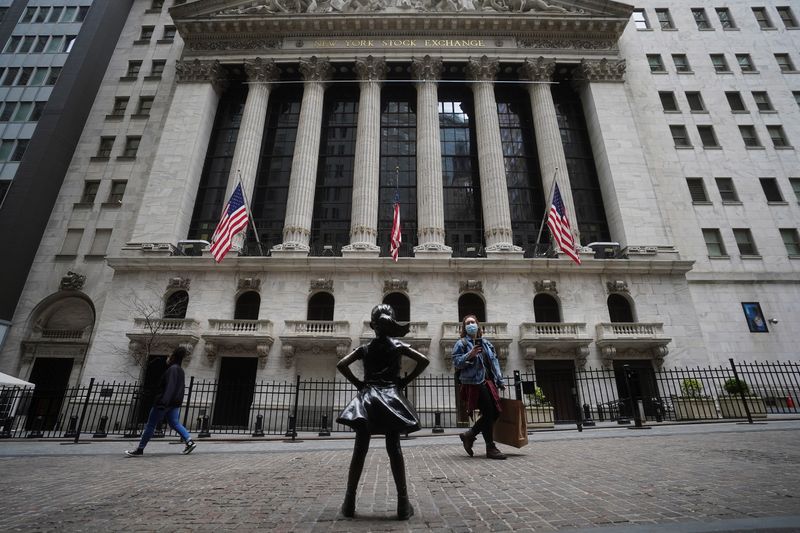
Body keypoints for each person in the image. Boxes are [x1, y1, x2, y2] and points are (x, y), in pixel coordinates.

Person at [336, 304, 430, 520]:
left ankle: (349, 502)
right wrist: (405, 380)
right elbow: (423, 361)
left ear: (373, 325)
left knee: (360, 449)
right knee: (394, 448)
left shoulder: (366, 348)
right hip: (391, 397)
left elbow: (342, 364)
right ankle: (403, 503)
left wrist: (359, 384)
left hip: (368, 397)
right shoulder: (397, 345)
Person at [452, 314, 507, 460]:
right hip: (474, 383)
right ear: (464, 327)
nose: (471, 325)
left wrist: (500, 380)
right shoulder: (461, 343)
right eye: (468, 323)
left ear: (478, 325)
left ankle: (469, 435)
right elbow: (456, 362)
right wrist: (469, 355)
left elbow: (494, 363)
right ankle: (490, 447)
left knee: (495, 413)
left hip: (489, 382)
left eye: (473, 322)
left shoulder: (487, 343)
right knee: (489, 412)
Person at [125, 346, 197, 457]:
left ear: (172, 358)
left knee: (150, 425)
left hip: (165, 402)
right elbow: (180, 388)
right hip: (174, 403)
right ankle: (189, 441)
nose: (166, 359)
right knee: (174, 423)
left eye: (168, 357)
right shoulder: (180, 371)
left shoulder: (172, 369)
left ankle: (140, 448)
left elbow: (170, 387)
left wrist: (163, 402)